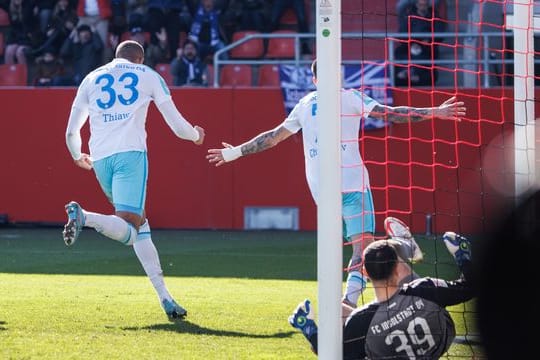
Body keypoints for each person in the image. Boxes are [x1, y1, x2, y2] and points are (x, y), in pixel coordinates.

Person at [207, 59, 466, 308]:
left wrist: (235, 152)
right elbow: (391, 114)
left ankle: (348, 302)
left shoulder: (305, 104)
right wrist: (435, 112)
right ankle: (398, 251)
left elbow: (273, 138)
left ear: (316, 79)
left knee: (346, 250)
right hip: (352, 185)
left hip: (322, 191)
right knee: (362, 249)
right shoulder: (350, 97)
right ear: (337, 75)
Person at [63, 40, 206, 321]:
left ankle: (166, 298)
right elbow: (177, 125)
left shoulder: (91, 78)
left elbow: (71, 131)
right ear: (139, 59)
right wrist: (196, 136)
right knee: (130, 226)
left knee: (140, 227)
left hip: (100, 159)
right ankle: (85, 217)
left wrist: (77, 155)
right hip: (130, 155)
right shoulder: (149, 75)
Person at [289, 232, 475, 359]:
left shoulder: (360, 320)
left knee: (341, 315)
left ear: (365, 272)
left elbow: (331, 354)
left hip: (375, 328)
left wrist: (309, 328)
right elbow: (469, 287)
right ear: (398, 268)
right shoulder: (424, 288)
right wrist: (462, 254)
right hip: (434, 345)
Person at [394, 0, 445, 87]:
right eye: (420, 5)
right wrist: (413, 42)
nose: (422, 6)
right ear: (417, 5)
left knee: (428, 69)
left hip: (428, 49)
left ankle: (416, 75)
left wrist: (427, 40)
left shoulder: (435, 18)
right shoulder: (408, 18)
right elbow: (401, 34)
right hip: (409, 47)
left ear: (428, 5)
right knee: (399, 55)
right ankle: (407, 72)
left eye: (424, 5)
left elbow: (440, 35)